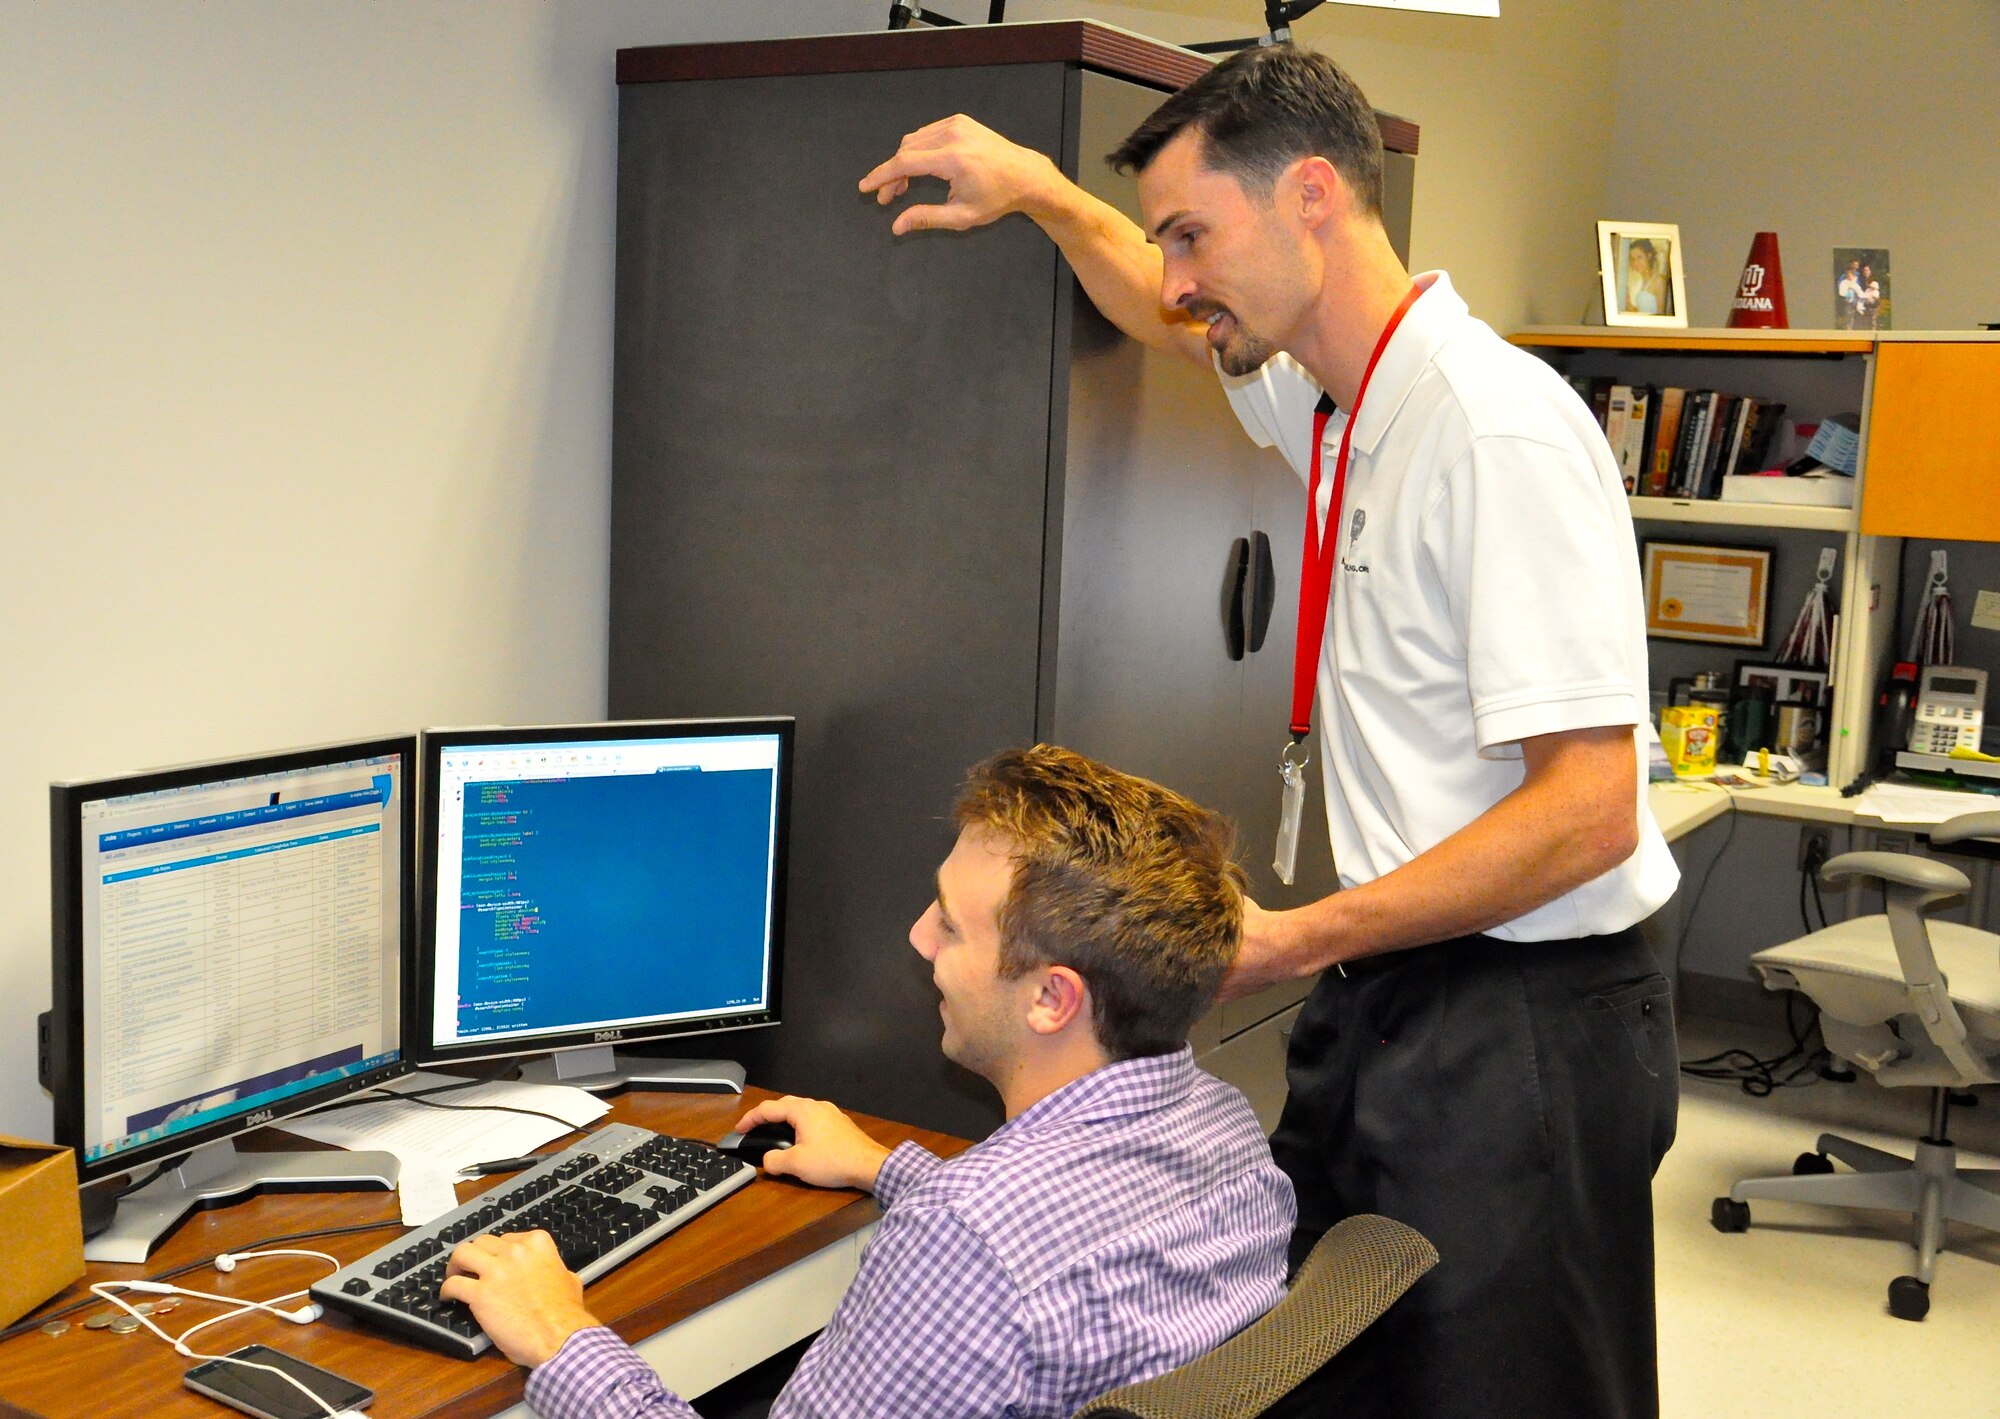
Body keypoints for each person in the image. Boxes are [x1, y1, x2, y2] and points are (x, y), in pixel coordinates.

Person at [860, 42, 1680, 1419]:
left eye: (1196, 231)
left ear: (1311, 195)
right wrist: (1047, 194)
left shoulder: (1493, 431)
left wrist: (1298, 936)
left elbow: (1591, 805)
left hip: (1525, 1011)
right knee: (1353, 1350)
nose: (1177, 277)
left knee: (1506, 1379)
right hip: (1399, 980)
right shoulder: (1336, 397)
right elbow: (1158, 307)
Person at [440, 745, 1294, 1419]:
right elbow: (1068, 1257)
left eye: (952, 926)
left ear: (1050, 997)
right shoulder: (1224, 1125)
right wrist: (888, 1168)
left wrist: (561, 1335)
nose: (920, 938)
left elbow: (988, 1256)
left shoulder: (961, 1246)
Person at [1624, 237, 1669, 315]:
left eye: (1639, 257)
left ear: (1648, 256)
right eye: (1633, 259)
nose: (1636, 262)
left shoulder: (1658, 281)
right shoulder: (1639, 282)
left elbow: (1660, 314)